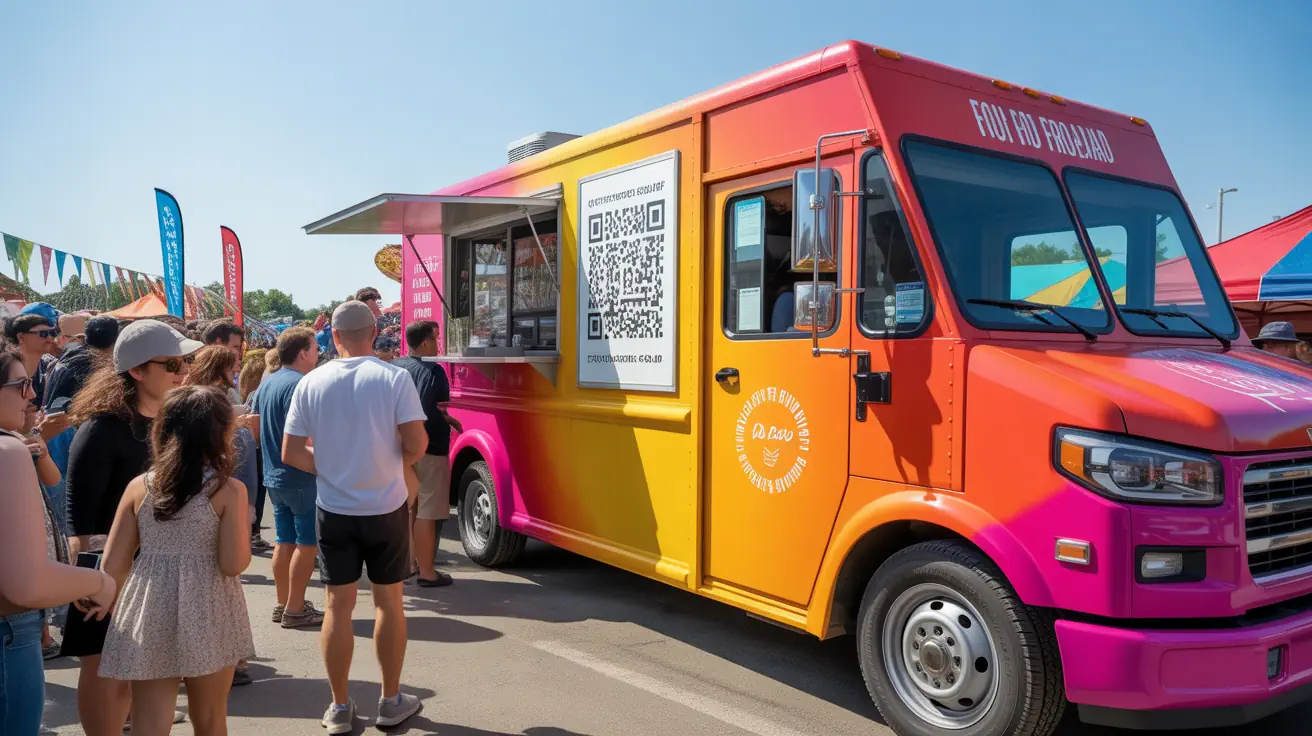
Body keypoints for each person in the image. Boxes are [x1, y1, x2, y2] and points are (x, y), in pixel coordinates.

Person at [282, 302, 427, 733]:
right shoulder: (394, 378)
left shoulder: (311, 382)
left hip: (335, 509)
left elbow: (291, 452)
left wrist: (331, 466)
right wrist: (383, 465)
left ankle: (340, 707)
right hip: (386, 508)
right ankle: (390, 700)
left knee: (336, 607)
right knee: (389, 605)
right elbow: (417, 445)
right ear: (375, 330)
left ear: (335, 336)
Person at [63, 320, 200, 735]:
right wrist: (92, 583)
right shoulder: (102, 430)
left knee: (147, 672)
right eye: (173, 363)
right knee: (107, 673)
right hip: (109, 567)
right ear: (137, 371)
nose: (183, 372)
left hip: (160, 568)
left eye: (186, 361)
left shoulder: (175, 425)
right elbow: (79, 522)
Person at [93, 386, 255, 735]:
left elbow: (113, 563)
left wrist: (106, 601)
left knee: (149, 722)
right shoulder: (228, 491)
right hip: (210, 606)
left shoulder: (140, 486)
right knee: (210, 719)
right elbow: (232, 564)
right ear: (221, 433)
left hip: (149, 603)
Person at [0, 348, 118, 736]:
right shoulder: (7, 450)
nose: (32, 395)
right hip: (9, 626)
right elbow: (27, 583)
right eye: (22, 385)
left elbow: (52, 480)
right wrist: (99, 583)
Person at [251, 327, 324, 631]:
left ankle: (285, 603)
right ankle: (295, 608)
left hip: (274, 475)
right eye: (315, 348)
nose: (318, 353)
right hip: (300, 474)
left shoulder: (268, 382)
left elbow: (254, 426)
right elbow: (307, 437)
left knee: (285, 542)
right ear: (303, 352)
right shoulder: (302, 384)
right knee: (307, 544)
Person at [392, 320, 461, 587]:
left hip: (400, 447)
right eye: (435, 338)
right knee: (428, 513)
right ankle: (427, 571)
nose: (438, 343)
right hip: (430, 448)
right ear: (424, 343)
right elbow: (437, 409)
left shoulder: (395, 366)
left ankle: (409, 563)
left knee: (409, 507)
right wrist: (451, 420)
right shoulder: (435, 372)